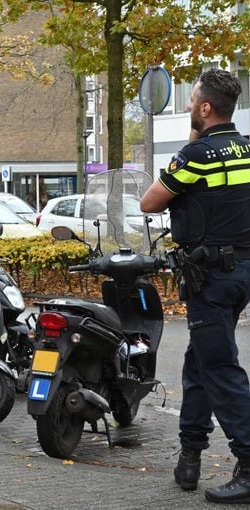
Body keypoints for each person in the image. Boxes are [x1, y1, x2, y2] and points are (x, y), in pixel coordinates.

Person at [141, 68, 250, 504]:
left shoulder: (197, 156)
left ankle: (247, 461)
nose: (187, 106)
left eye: (192, 101)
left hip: (211, 277)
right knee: (199, 361)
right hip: (241, 273)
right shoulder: (247, 149)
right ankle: (190, 454)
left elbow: (150, 202)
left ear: (205, 108)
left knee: (220, 369)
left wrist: (190, 142)